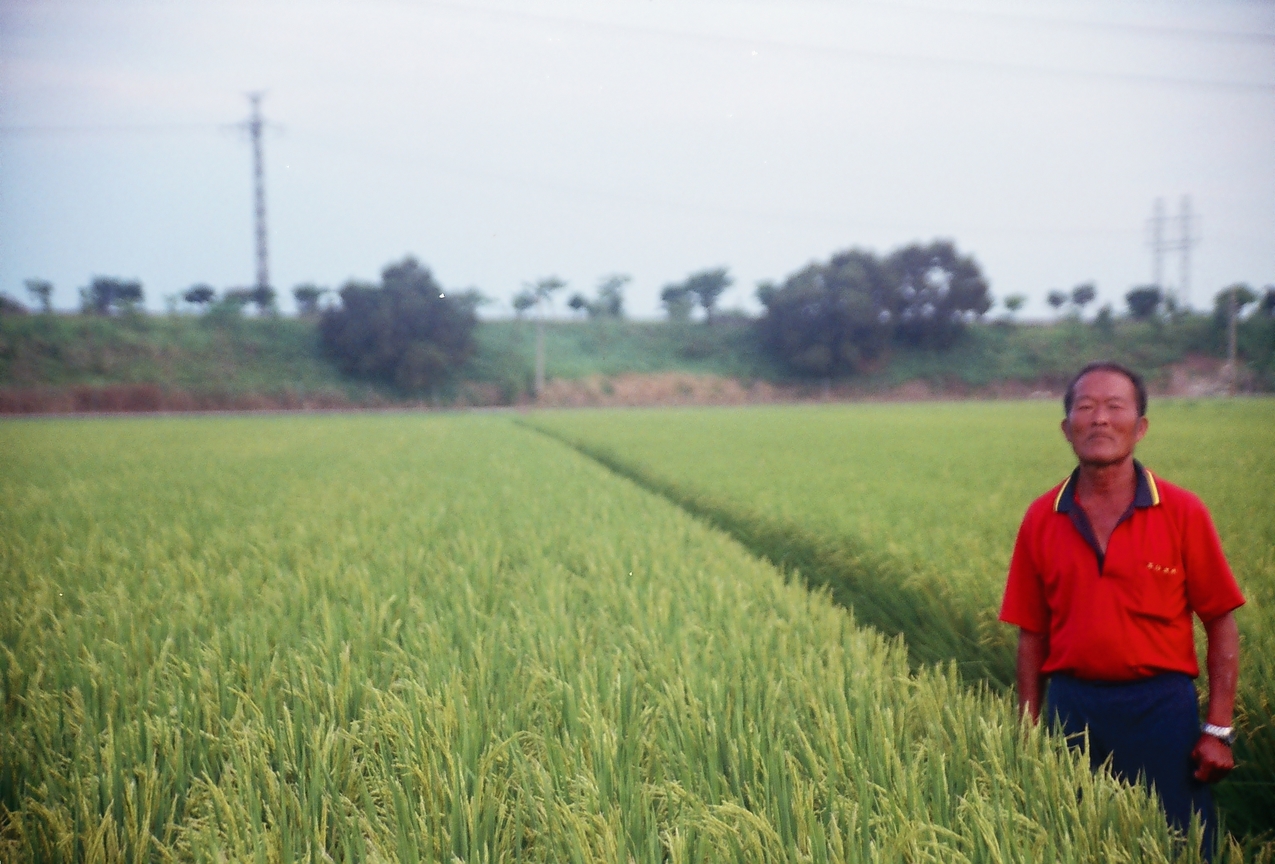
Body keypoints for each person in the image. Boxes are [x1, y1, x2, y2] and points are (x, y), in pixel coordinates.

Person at [999, 361, 1244, 853]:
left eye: (1115, 407)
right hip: (1072, 711)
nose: (1100, 419)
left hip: (1161, 710)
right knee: (1076, 845)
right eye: (1085, 408)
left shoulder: (1182, 511)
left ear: (1141, 426)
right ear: (1067, 428)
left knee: (1181, 846)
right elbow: (1032, 633)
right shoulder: (1042, 516)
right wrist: (1027, 730)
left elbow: (1220, 620)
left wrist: (1218, 728)